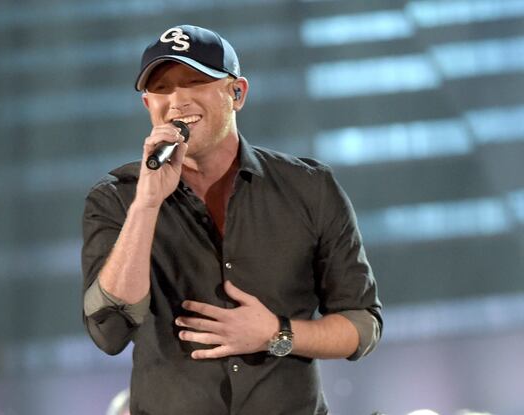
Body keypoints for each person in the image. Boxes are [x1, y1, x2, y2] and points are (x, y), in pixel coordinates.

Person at [82, 24, 382, 415]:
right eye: (162, 88)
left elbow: (361, 325)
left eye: (195, 81)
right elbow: (109, 330)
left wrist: (277, 334)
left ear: (237, 93)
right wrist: (147, 203)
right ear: (147, 105)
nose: (177, 100)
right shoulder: (116, 198)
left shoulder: (309, 188)